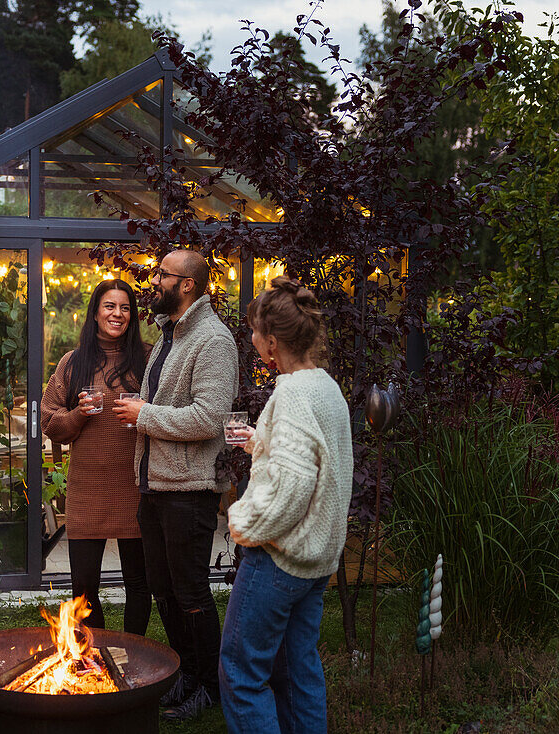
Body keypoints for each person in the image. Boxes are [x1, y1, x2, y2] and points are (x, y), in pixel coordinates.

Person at [219, 277, 353, 734]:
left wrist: (242, 521)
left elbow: (294, 483)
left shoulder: (292, 393)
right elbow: (317, 461)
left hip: (279, 559)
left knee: (241, 672)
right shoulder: (324, 387)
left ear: (272, 342)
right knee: (298, 672)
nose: (252, 340)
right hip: (316, 561)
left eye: (255, 332)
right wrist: (262, 443)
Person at [113, 249, 239, 722]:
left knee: (190, 594)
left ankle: (211, 685)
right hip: (156, 485)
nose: (154, 281)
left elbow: (210, 419)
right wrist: (141, 410)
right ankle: (186, 674)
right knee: (163, 591)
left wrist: (144, 414)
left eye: (162, 275)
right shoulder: (169, 335)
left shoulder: (213, 340)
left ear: (186, 285)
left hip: (189, 489)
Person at [41, 279, 152, 634]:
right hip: (87, 488)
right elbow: (48, 419)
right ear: (94, 312)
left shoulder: (147, 359)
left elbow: (168, 412)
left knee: (139, 584)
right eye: (109, 306)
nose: (117, 314)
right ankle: (97, 659)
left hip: (135, 485)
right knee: (84, 587)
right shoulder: (73, 363)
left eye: (124, 308)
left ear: (132, 316)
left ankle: (133, 657)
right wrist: (77, 415)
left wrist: (146, 411)